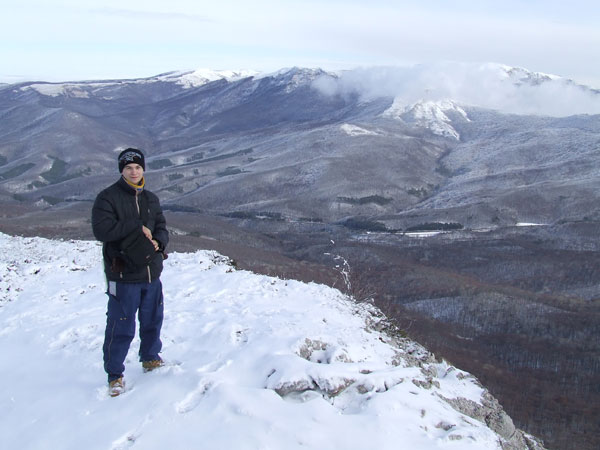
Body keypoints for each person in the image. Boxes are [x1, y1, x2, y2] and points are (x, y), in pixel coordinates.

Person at [92, 148, 169, 397]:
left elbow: (161, 226)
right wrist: (136, 227)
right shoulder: (108, 198)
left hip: (150, 272)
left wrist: (159, 242)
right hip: (123, 274)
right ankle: (115, 374)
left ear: (143, 169)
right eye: (128, 168)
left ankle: (150, 357)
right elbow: (103, 231)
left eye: (137, 167)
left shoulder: (151, 199)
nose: (134, 171)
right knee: (120, 324)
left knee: (152, 319)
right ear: (121, 171)